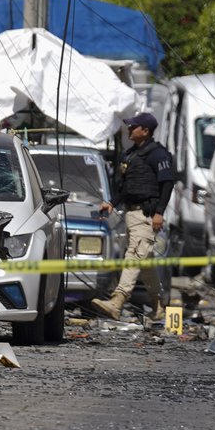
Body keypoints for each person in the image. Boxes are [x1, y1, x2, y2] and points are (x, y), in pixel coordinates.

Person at [91, 112, 175, 321]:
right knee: (144, 263)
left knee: (134, 257)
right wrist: (112, 203)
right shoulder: (131, 155)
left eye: (133, 127)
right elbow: (126, 187)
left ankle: (117, 302)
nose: (129, 130)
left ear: (145, 131)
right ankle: (158, 307)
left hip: (146, 214)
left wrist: (159, 213)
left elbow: (167, 183)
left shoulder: (158, 155)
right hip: (131, 214)